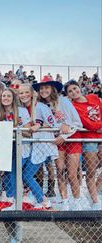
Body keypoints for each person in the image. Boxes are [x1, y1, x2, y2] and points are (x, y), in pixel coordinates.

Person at [32, 76, 83, 211]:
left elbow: (77, 122)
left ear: (52, 89)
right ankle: (64, 201)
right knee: (60, 171)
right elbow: (41, 123)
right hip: (56, 140)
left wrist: (65, 134)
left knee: (72, 173)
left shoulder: (64, 101)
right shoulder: (41, 106)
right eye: (41, 88)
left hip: (71, 138)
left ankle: (77, 202)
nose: (43, 90)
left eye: (46, 87)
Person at [65, 80, 102, 210]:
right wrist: (98, 127)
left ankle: (93, 192)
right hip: (89, 139)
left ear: (79, 87)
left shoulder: (93, 97)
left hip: (101, 136)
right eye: (70, 91)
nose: (74, 92)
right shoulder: (73, 107)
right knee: (91, 172)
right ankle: (96, 201)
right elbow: (85, 123)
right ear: (68, 95)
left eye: (75, 88)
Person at [0, 88, 31, 207]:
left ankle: (16, 199)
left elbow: (28, 132)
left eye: (8, 96)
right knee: (6, 173)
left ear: (13, 98)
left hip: (20, 146)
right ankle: (9, 197)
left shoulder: (21, 111)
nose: (6, 98)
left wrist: (13, 130)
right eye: (4, 96)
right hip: (6, 147)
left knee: (14, 172)